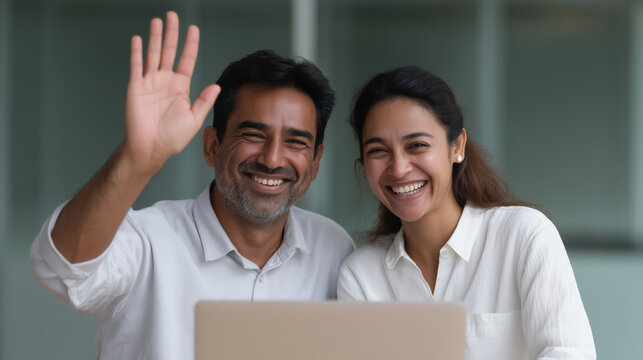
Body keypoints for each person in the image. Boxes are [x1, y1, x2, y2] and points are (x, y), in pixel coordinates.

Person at [30, 11, 354, 359]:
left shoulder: (333, 249)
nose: (273, 159)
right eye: (253, 134)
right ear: (212, 146)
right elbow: (64, 267)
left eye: (295, 142)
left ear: (316, 163)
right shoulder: (149, 241)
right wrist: (137, 159)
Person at [337, 66, 596, 359]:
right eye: (378, 151)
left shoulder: (524, 236)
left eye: (417, 145)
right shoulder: (361, 276)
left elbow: (568, 353)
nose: (399, 168)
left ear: (457, 146)